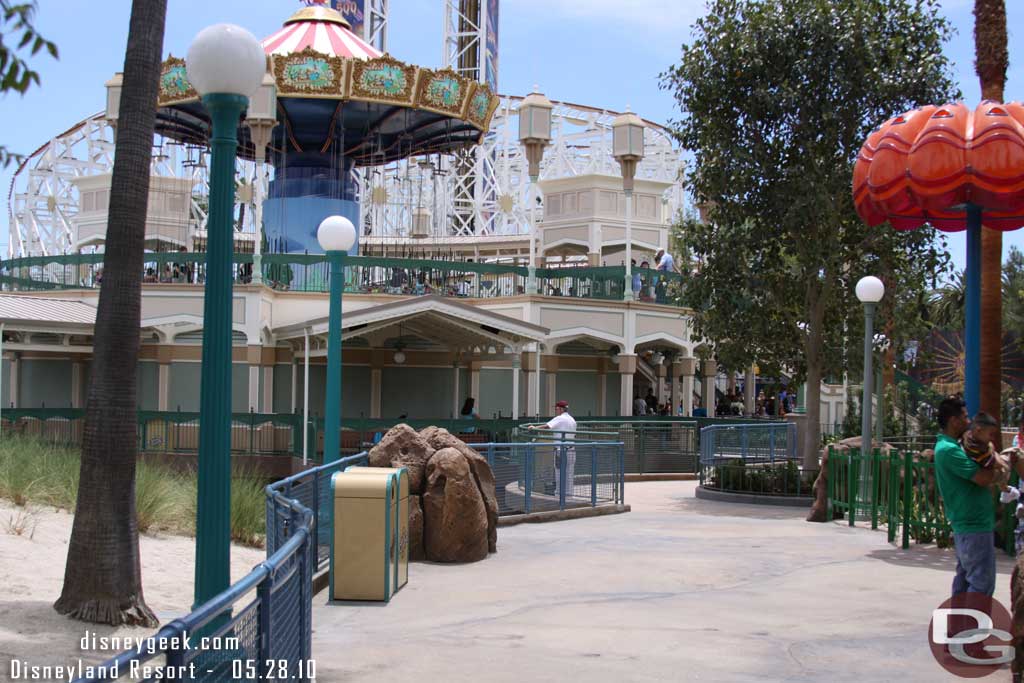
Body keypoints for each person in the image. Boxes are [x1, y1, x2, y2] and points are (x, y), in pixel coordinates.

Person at [934, 397, 1003, 597]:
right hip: (973, 525)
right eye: (965, 417)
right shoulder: (949, 450)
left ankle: (957, 626)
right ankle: (974, 627)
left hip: (972, 524)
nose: (969, 421)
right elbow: (982, 478)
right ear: (954, 421)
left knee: (964, 582)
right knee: (981, 584)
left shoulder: (955, 446)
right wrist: (1001, 473)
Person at [541, 400, 577, 497]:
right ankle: (569, 495)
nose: (556, 411)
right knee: (569, 473)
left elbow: (547, 426)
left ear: (561, 409)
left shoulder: (560, 418)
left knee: (559, 472)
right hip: (571, 449)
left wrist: (533, 427)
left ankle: (559, 495)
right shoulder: (572, 419)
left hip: (560, 450)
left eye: (557, 409)